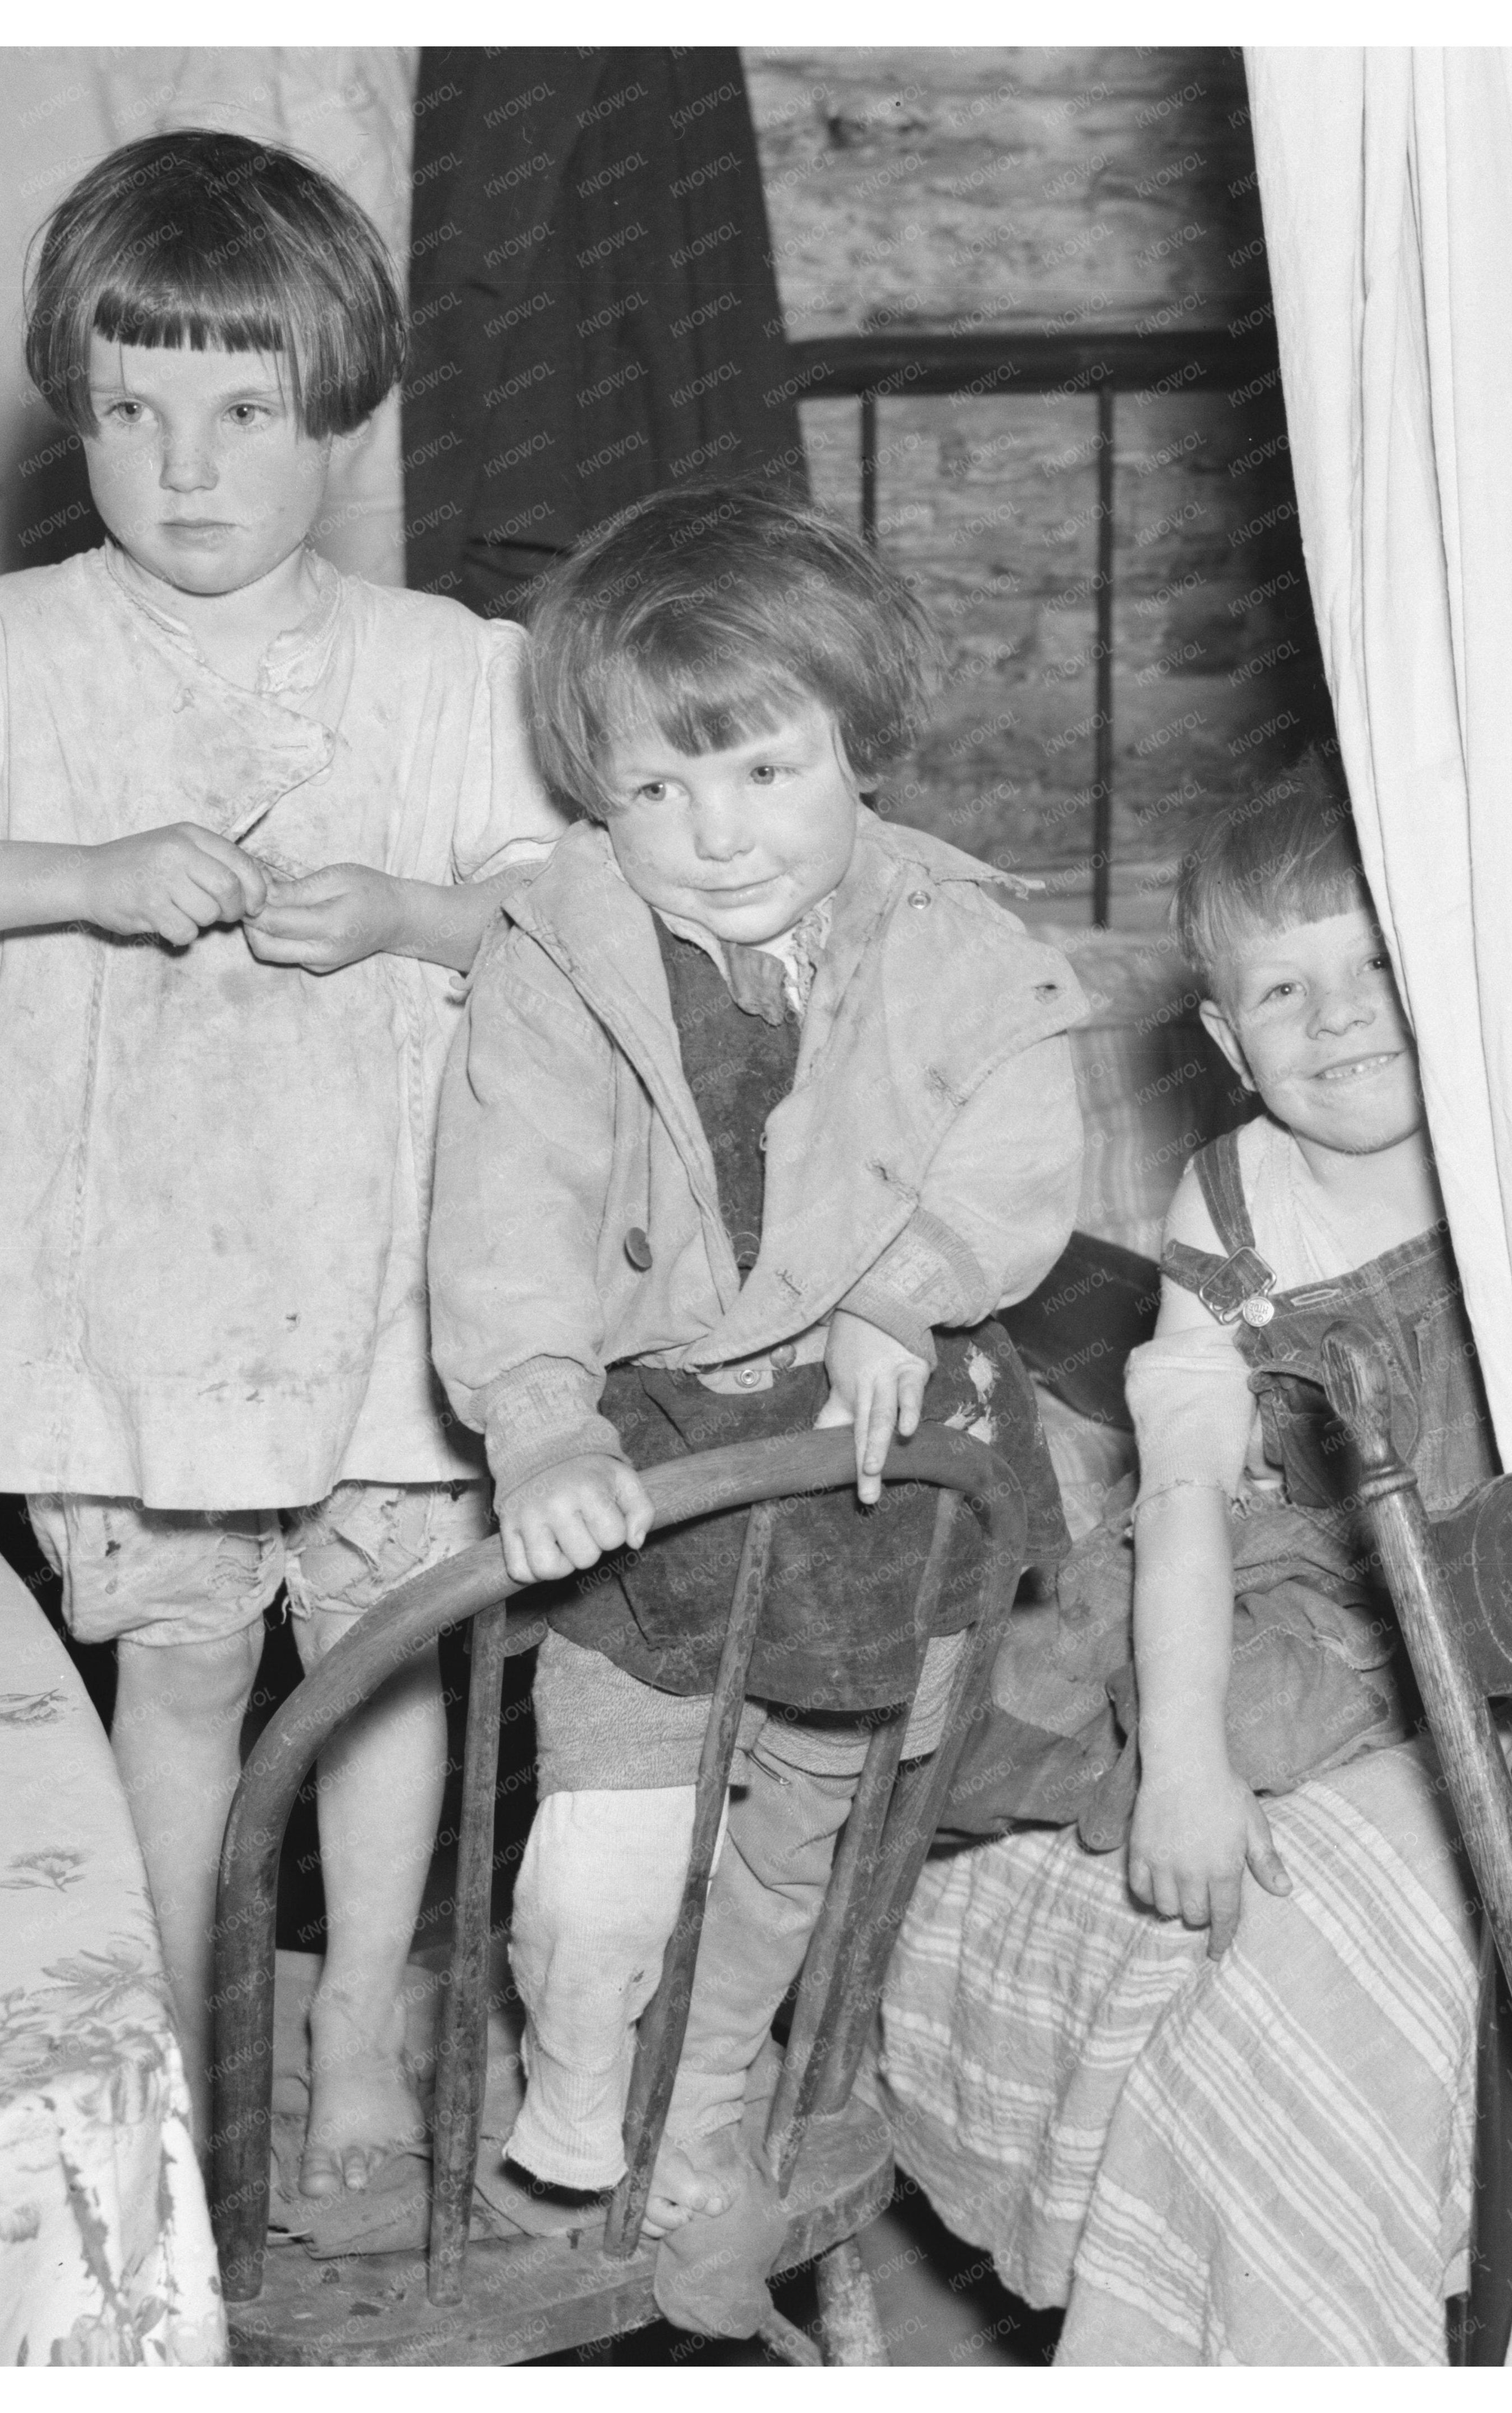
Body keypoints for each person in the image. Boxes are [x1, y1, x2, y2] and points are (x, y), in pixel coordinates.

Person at [0, 130, 563, 2200]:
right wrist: (79, 873)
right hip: (124, 1275)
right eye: (131, 408)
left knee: (378, 1654)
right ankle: (187, 2030)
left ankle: (366, 2028)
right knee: (188, 1654)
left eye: (242, 411)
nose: (183, 466)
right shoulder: (9, 652)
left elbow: (564, 922)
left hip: (383, 1264)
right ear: (75, 409)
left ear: (343, 408)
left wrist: (407, 914)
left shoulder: (447, 672)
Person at [426, 482, 1085, 2334]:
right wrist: (541, 1418)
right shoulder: (556, 953)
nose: (712, 838)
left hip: (878, 1436)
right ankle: (575, 2064)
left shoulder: (958, 934)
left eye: (764, 774)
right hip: (655, 1435)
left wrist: (906, 1286)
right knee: (601, 1860)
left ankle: (705, 2098)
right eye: (654, 791)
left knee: (805, 1817)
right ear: (595, 797)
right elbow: (511, 1205)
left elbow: (1024, 1144)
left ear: (856, 751)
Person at [943, 779, 1498, 1957]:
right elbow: (1184, 1489)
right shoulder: (1230, 1197)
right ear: (1226, 1040)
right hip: (1332, 1582)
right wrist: (1184, 1766)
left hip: (1505, 1558)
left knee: (1287, 1712)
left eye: (1377, 969)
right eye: (1285, 990)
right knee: (1043, 1668)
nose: (1340, 1018)